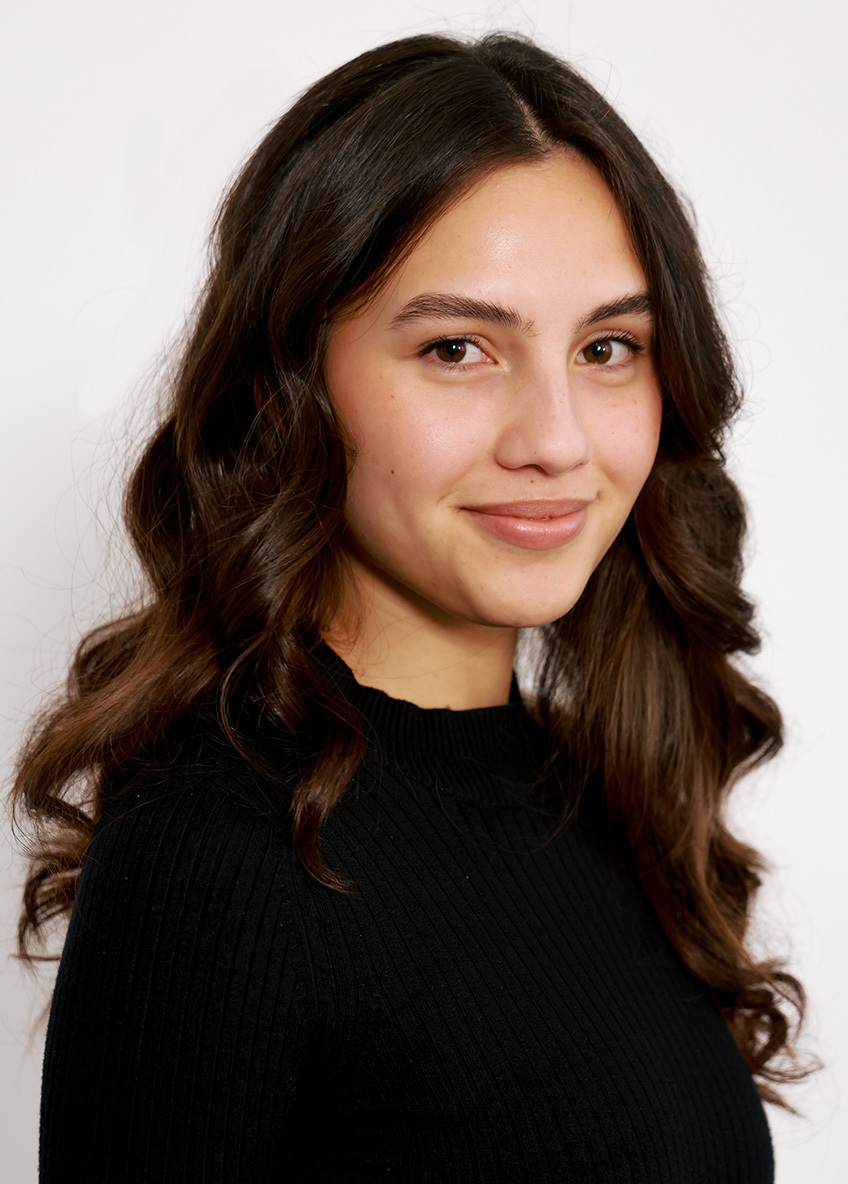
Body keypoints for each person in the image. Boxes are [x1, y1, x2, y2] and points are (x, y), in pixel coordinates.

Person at [12, 30, 807, 1183]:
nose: (555, 440)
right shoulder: (217, 853)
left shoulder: (602, 789)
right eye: (455, 347)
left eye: (606, 347)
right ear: (286, 384)